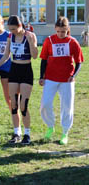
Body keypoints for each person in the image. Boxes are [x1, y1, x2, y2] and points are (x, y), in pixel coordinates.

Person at [0, 15, 38, 145]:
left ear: (20, 26)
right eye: (10, 29)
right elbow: (6, 55)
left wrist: (30, 42)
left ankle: (27, 134)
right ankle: (16, 132)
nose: (11, 31)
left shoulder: (30, 35)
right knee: (14, 104)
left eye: (13, 29)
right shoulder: (10, 37)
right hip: (14, 70)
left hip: (26, 71)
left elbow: (35, 56)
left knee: (23, 105)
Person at [39, 17, 84, 145]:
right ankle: (50, 126)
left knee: (67, 106)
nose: (60, 34)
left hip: (67, 79)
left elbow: (79, 61)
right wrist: (41, 76)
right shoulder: (49, 40)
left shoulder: (73, 42)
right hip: (50, 78)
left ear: (67, 30)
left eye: (63, 31)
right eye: (58, 31)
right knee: (45, 104)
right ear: (55, 29)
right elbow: (43, 60)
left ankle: (65, 132)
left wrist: (74, 75)